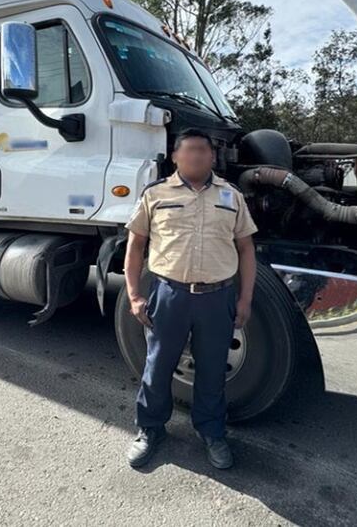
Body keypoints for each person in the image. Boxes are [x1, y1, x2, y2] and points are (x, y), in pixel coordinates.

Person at [122, 127, 258, 469]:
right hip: (170, 295)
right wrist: (135, 294)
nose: (197, 155)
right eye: (189, 150)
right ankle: (150, 429)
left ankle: (212, 432)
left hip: (218, 297)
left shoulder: (231, 196)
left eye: (203, 150)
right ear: (176, 156)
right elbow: (136, 245)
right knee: (158, 367)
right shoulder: (156, 194)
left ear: (213, 157)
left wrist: (245, 300)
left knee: (212, 372)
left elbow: (246, 249)